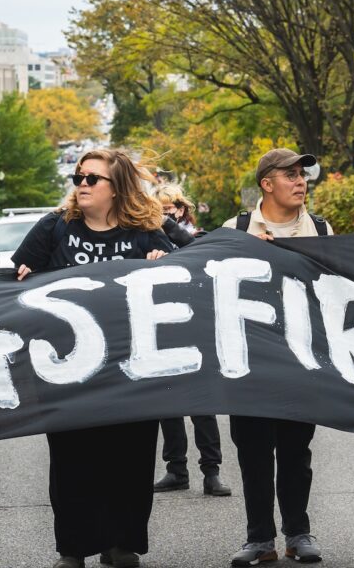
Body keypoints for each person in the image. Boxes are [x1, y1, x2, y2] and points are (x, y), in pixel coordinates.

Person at [13, 149, 174, 568]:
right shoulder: (55, 228)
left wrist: (163, 262)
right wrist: (26, 279)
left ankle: (121, 543)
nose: (81, 184)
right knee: (73, 461)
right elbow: (17, 284)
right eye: (78, 177)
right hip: (69, 371)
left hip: (131, 371)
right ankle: (73, 547)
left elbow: (184, 275)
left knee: (131, 458)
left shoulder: (146, 233)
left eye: (92, 179)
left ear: (116, 188)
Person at [223, 148, 331, 566]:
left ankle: (298, 533)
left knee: (295, 449)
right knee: (251, 450)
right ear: (266, 184)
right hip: (247, 359)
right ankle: (259, 540)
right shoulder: (234, 228)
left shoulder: (321, 229)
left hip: (300, 358)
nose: (301, 181)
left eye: (303, 174)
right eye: (290, 174)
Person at [150, 183, 231, 497]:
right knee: (167, 405)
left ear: (181, 210)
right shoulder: (152, 241)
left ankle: (211, 472)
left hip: (196, 332)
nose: (165, 215)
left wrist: (167, 226)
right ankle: (176, 470)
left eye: (170, 209)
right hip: (163, 331)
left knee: (202, 406)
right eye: (159, 210)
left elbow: (198, 252)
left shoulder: (198, 236)